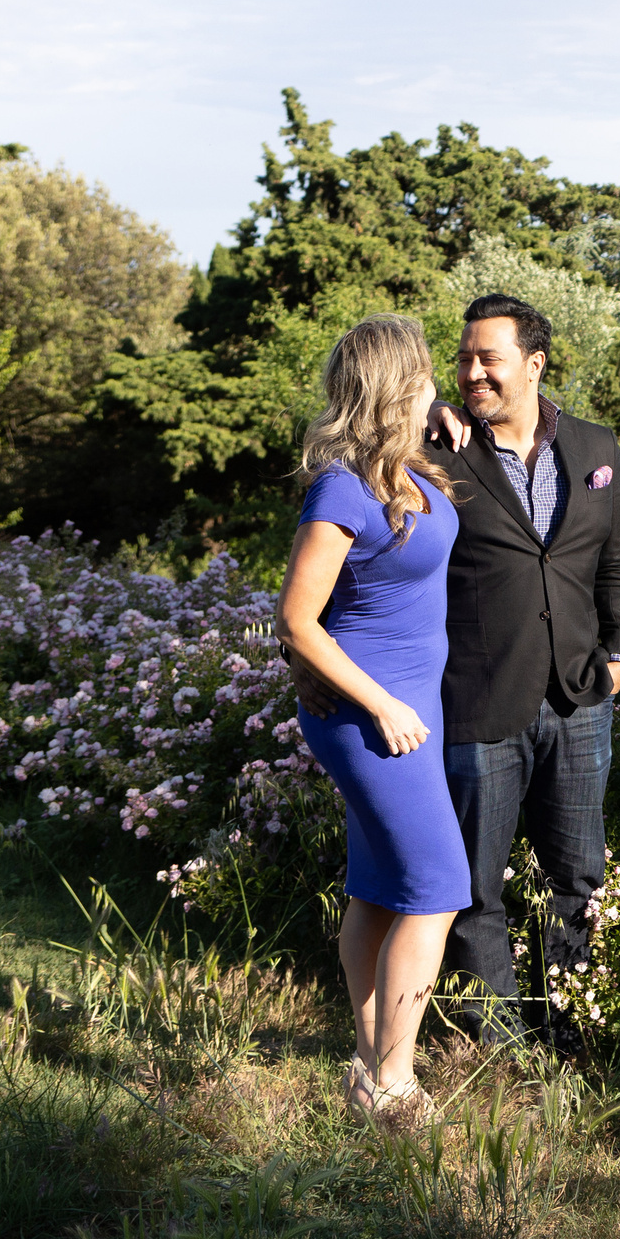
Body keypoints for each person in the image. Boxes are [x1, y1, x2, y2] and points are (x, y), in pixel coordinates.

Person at [298, 291, 620, 1051]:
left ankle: (572, 1035)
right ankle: (500, 1048)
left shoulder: (595, 449)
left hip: (583, 700)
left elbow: (616, 562)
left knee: (578, 877)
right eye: (462, 359)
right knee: (470, 886)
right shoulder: (440, 452)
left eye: (490, 357)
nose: (473, 371)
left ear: (535, 363)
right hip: (474, 705)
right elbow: (366, 486)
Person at [275, 315, 469, 1126]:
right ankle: (393, 1083)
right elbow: (296, 619)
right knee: (436, 888)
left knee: (382, 890)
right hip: (371, 716)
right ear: (397, 385)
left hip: (408, 709)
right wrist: (382, 702)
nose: (436, 383)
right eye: (424, 372)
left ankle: (369, 1064)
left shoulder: (408, 467)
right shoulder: (342, 487)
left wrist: (447, 429)